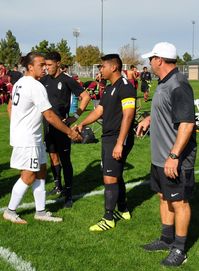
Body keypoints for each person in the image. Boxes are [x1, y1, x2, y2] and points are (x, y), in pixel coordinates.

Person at [136, 42, 197, 267]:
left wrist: (174, 156)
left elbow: (187, 124)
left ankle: (180, 250)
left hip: (175, 159)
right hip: (160, 156)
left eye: (151, 58)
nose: (149, 62)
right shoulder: (163, 82)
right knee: (163, 197)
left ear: (159, 60)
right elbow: (168, 111)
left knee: (179, 201)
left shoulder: (178, 85)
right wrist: (148, 119)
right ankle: (166, 239)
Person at [3, 52, 81, 224]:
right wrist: (69, 132)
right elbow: (50, 116)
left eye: (46, 65)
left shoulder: (19, 83)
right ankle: (10, 211)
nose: (44, 67)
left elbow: (10, 108)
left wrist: (17, 126)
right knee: (29, 175)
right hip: (28, 139)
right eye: (41, 65)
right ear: (30, 67)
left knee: (41, 171)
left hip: (31, 137)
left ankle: (41, 211)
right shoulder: (35, 86)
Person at [77, 54, 136, 232]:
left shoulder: (125, 87)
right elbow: (99, 111)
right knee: (115, 174)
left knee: (109, 177)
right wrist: (82, 123)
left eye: (102, 67)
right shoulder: (111, 88)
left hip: (118, 138)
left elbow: (129, 115)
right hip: (108, 137)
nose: (100, 70)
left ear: (114, 68)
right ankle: (124, 209)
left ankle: (108, 218)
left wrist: (119, 143)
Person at [40, 51, 90, 208]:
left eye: (49, 65)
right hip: (47, 126)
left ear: (58, 64)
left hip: (63, 127)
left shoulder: (67, 80)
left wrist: (74, 117)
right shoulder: (44, 80)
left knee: (65, 160)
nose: (46, 68)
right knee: (53, 157)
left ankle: (68, 194)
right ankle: (57, 186)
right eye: (45, 65)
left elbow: (86, 96)